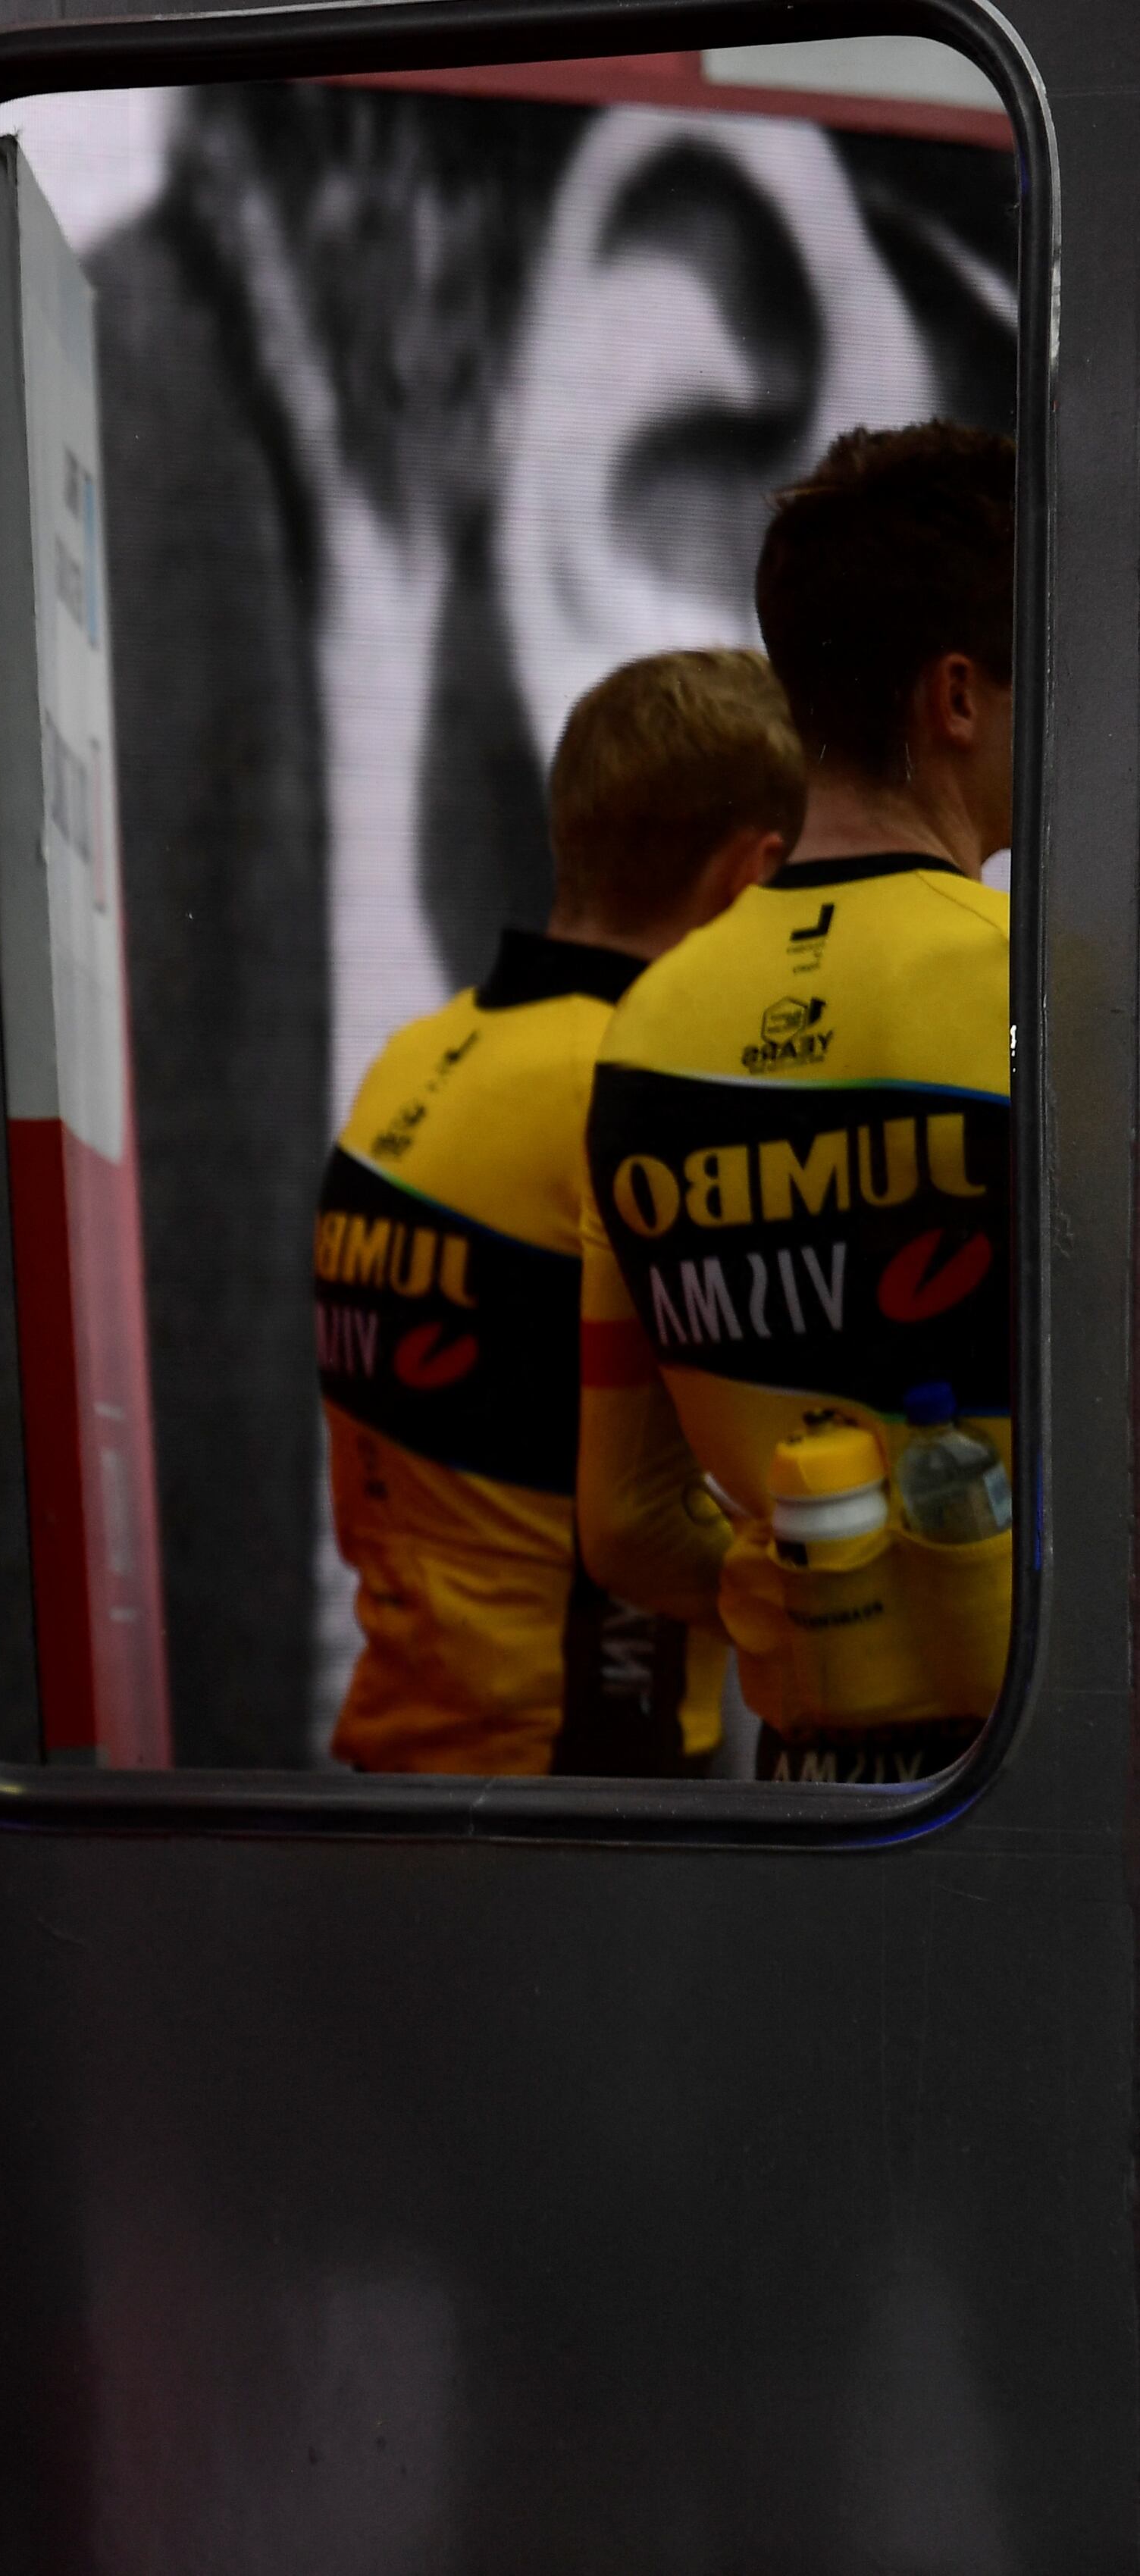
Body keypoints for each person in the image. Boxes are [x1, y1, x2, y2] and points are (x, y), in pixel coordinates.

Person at [578, 422, 1016, 1783]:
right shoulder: (1046, 995)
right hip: (1057, 1784)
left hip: (812, 1793)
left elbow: (627, 1523)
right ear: (953, 696)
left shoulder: (644, 1029)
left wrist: (819, 1597)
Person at [315, 649, 800, 1775]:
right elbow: (736, 1478)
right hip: (580, 1783)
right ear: (750, 878)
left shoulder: (408, 1060)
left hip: (402, 1751)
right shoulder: (630, 1097)